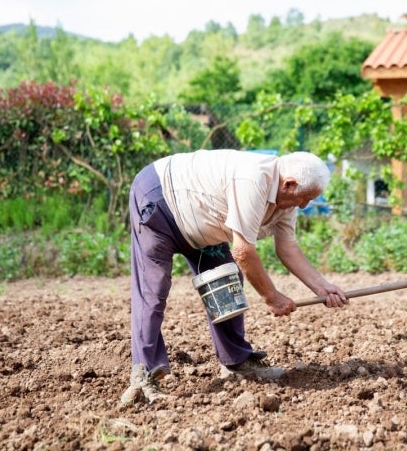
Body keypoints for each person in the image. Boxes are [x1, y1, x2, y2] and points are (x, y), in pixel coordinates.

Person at [120, 149, 348, 405]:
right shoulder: (253, 180)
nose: (304, 205)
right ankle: (143, 374)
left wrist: (323, 287)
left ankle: (236, 362)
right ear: (289, 183)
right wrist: (271, 296)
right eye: (305, 198)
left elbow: (288, 248)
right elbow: (243, 250)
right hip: (159, 199)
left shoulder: (286, 200)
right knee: (154, 289)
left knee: (227, 282)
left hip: (201, 220)